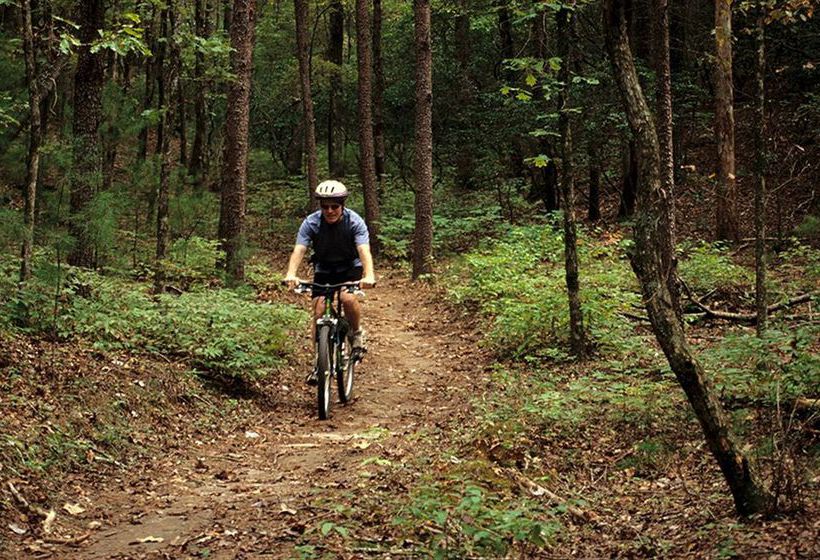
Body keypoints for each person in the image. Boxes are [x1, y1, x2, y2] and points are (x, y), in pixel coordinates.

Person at [283, 180, 376, 382]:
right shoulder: (311, 222)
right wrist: (291, 274)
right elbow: (299, 249)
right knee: (318, 311)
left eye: (334, 206)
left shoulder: (354, 222)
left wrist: (369, 276)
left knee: (348, 298)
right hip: (324, 268)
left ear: (342, 205)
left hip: (350, 267)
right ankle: (319, 363)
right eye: (325, 207)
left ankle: (356, 333)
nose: (330, 211)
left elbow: (363, 251)